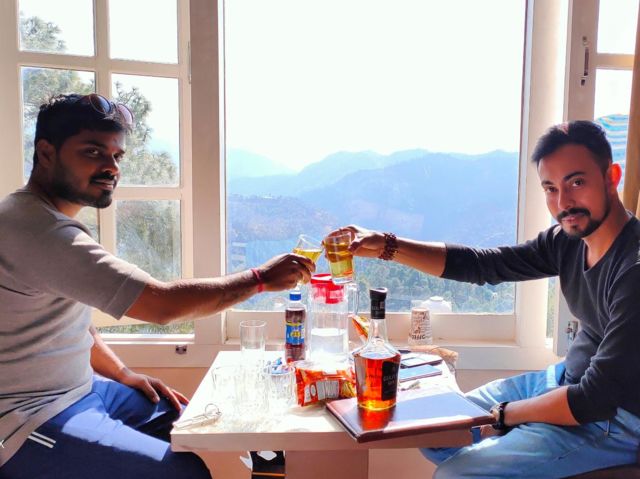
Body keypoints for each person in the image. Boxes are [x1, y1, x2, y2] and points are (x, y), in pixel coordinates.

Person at [0, 93, 315, 479]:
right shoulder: (39, 231)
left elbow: (72, 321)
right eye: (93, 152)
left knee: (189, 420)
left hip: (84, 390)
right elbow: (161, 305)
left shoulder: (43, 219)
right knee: (183, 473)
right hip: (27, 419)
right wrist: (260, 279)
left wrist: (121, 374)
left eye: (117, 155)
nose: (111, 167)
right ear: (46, 153)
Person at [329, 121, 640, 478]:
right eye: (551, 188)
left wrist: (507, 415)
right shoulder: (566, 241)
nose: (563, 203)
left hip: (613, 419)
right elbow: (484, 264)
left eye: (577, 183)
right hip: (562, 380)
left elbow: (593, 401)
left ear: (611, 177)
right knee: (433, 432)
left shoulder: (633, 271)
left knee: (455, 475)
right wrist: (388, 246)